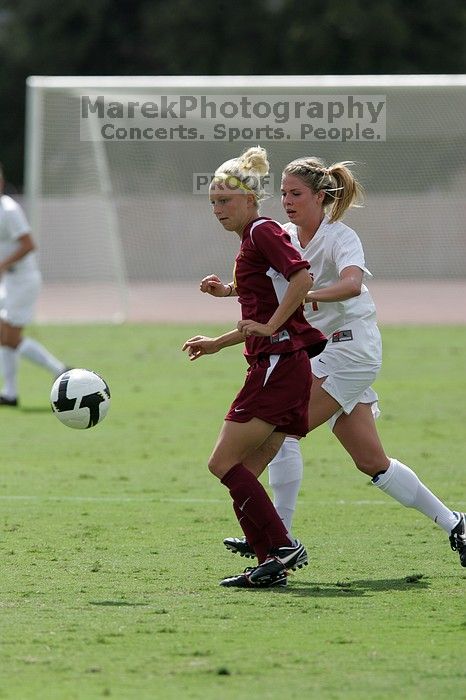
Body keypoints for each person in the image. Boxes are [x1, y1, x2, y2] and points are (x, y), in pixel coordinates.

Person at [200, 156, 466, 569]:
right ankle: (455, 523)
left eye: (296, 194)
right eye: (284, 193)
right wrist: (227, 290)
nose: (286, 201)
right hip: (321, 350)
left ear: (320, 197)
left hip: (352, 350)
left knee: (283, 427)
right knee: (372, 461)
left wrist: (308, 295)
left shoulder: (341, 237)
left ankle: (279, 540)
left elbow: (351, 284)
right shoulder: (284, 233)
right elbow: (266, 280)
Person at [182, 146, 327, 588]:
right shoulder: (252, 237)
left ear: (249, 199)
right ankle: (271, 562)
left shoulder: (262, 230)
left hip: (278, 365)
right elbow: (258, 306)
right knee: (244, 470)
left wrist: (269, 326)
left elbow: (302, 279)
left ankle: (282, 547)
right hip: (283, 362)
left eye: (225, 201)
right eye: (212, 202)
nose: (217, 210)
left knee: (223, 463)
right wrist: (224, 312)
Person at [0, 163, 69, 406]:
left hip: (23, 280)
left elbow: (29, 244)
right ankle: (9, 393)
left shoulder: (8, 210)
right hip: (9, 282)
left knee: (8, 337)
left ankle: (59, 369)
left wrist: (3, 264)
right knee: (3, 335)